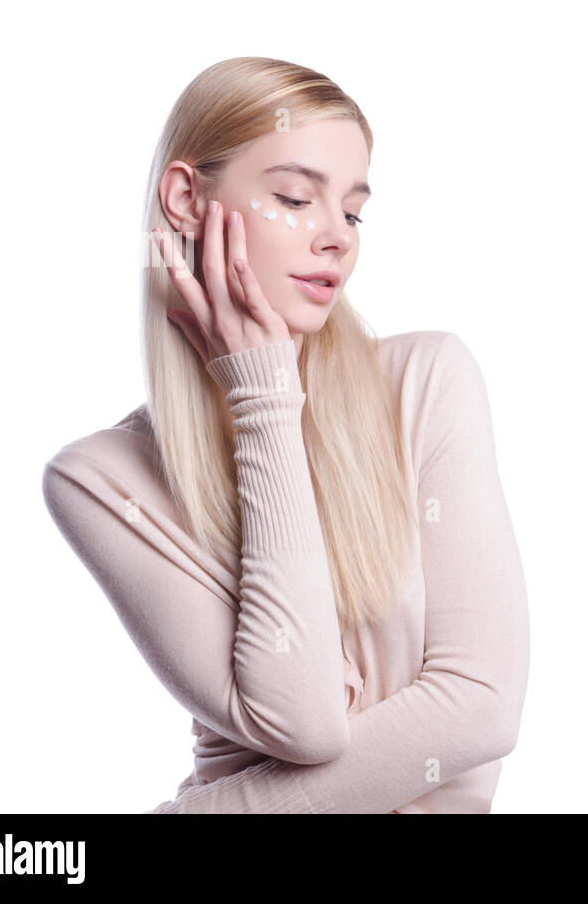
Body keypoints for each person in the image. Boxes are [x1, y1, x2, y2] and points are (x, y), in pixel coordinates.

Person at [40, 56, 530, 813]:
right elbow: (303, 724)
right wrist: (263, 395)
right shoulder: (100, 478)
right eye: (296, 197)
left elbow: (481, 709)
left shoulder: (427, 381)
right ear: (185, 199)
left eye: (354, 211)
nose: (338, 236)